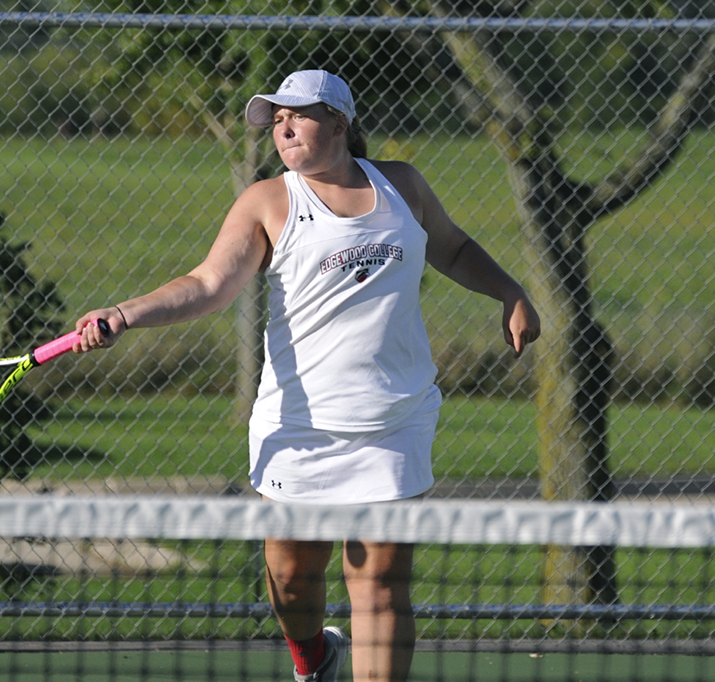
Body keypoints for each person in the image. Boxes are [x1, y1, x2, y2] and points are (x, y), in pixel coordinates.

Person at [72, 69, 540, 682]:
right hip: (298, 427)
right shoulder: (268, 201)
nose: (283, 127)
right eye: (276, 120)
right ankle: (313, 654)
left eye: (299, 114)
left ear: (341, 122)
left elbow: (449, 247)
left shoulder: (403, 185)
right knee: (291, 580)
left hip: (394, 422)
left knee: (378, 588)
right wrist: (126, 314)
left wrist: (509, 291)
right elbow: (208, 283)